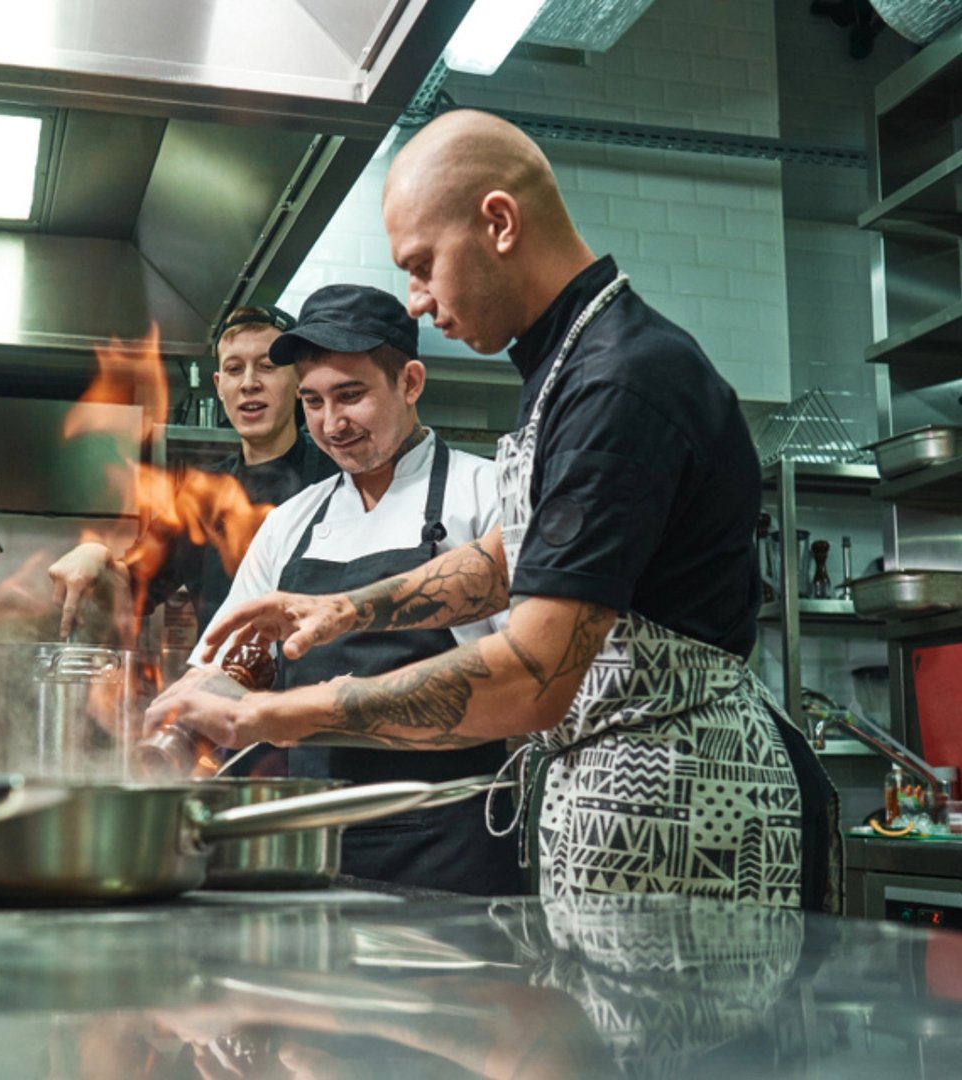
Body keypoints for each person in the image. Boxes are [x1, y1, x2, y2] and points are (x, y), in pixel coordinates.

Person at [146, 110, 840, 912]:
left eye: (422, 265)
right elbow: (521, 555)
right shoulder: (571, 362)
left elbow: (532, 677)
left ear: (499, 223)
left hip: (680, 805)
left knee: (658, 1037)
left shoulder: (619, 381)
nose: (419, 297)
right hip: (606, 788)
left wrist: (272, 716)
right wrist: (347, 609)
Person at [158, 282, 521, 895]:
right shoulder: (292, 522)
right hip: (314, 841)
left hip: (453, 843)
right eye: (313, 401)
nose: (332, 423)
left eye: (351, 396)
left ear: (410, 383)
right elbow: (228, 667)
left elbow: (522, 680)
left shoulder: (487, 497)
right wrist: (171, 730)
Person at [48, 305, 336, 638]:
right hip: (220, 685)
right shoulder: (199, 495)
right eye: (233, 369)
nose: (249, 383)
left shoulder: (338, 478)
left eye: (267, 366)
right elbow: (130, 591)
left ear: (299, 379)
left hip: (319, 687)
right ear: (218, 384)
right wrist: (94, 556)